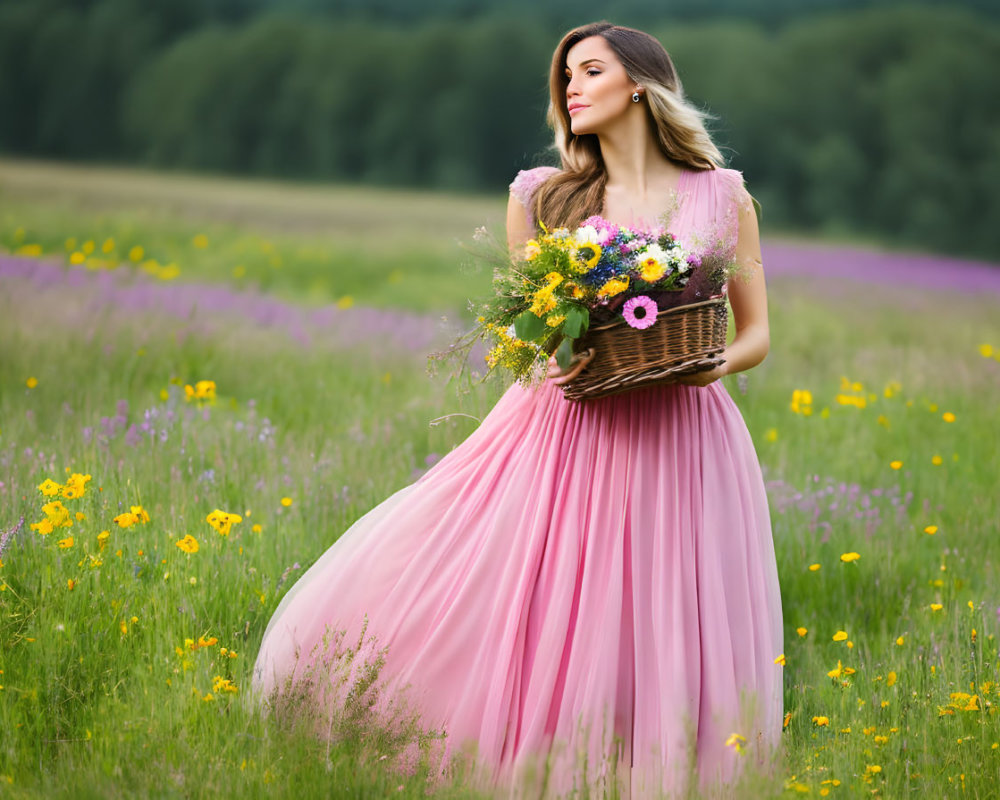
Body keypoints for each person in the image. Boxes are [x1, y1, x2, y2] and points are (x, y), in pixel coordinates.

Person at [253, 20, 783, 799]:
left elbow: (759, 332)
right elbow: (526, 325)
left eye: (591, 70)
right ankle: (523, 761)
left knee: (666, 602)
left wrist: (713, 366)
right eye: (565, 74)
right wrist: (558, 352)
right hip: (567, 425)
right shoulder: (543, 196)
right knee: (542, 587)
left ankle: (658, 774)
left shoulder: (724, 195)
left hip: (687, 430)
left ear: (640, 83)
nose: (571, 86)